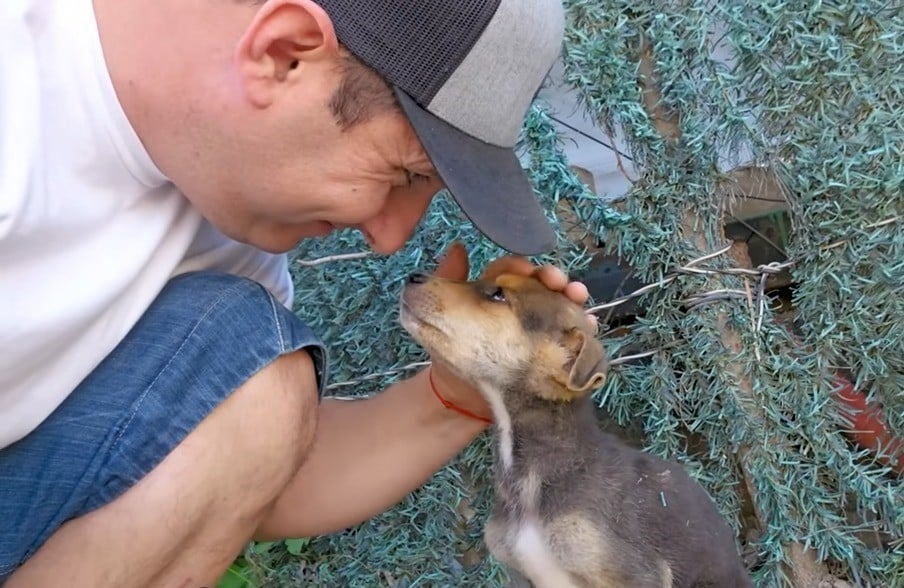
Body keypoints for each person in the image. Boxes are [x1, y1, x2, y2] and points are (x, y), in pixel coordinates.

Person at [0, 0, 592, 585]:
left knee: (262, 384)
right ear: (282, 54)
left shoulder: (222, 234)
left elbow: (230, 478)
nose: (390, 237)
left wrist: (452, 397)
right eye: (404, 174)